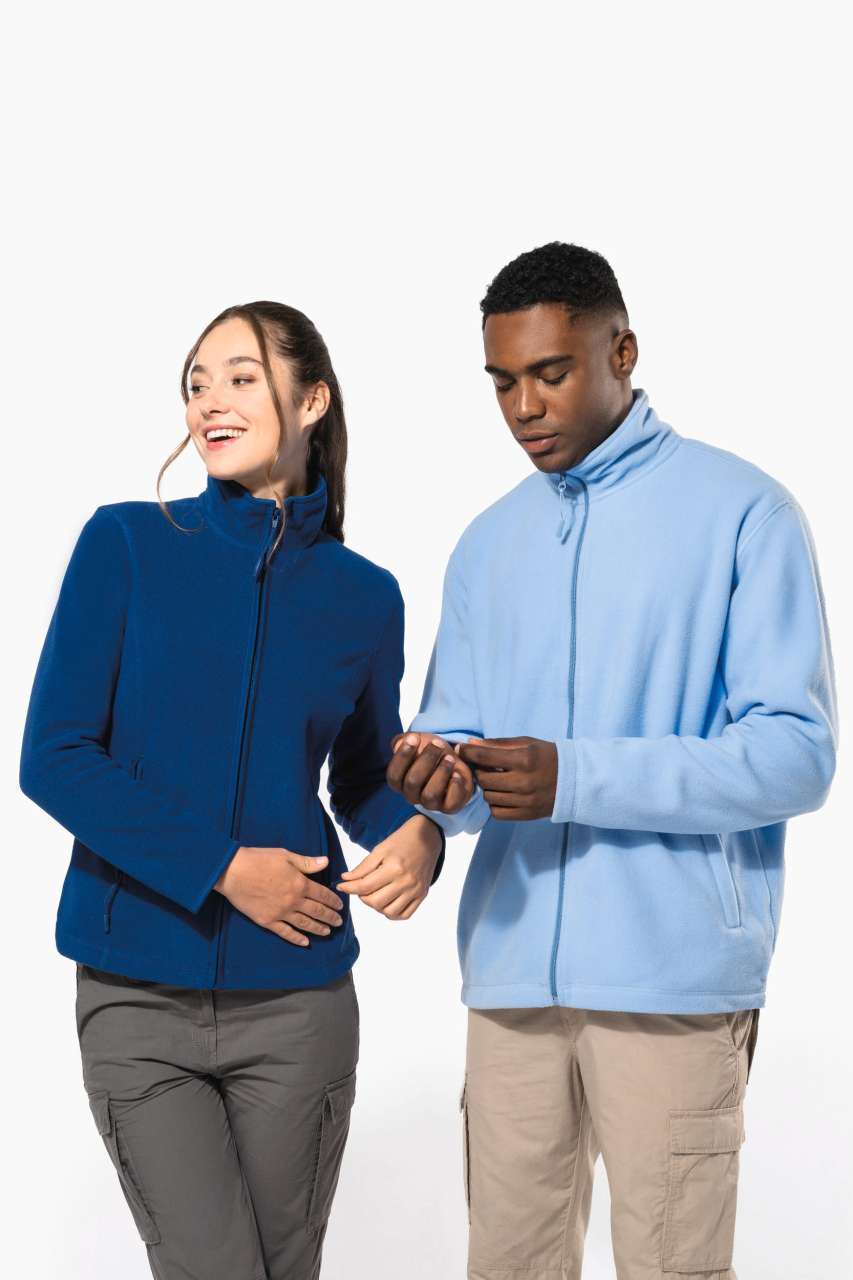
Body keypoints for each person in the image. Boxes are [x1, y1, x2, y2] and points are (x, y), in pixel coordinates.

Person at [374, 243, 838, 1280]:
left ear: (621, 352)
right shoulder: (487, 542)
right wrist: (438, 784)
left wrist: (575, 776)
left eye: (551, 372)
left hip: (671, 980)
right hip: (509, 979)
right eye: (502, 381)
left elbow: (795, 753)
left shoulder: (743, 511)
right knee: (508, 1266)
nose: (523, 407)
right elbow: (457, 739)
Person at [19, 300, 445, 1280]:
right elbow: (55, 754)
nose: (210, 400)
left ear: (311, 400)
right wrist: (220, 867)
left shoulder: (364, 594)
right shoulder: (127, 543)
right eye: (197, 383)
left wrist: (418, 832)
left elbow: (362, 776)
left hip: (298, 999)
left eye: (240, 377)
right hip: (138, 995)